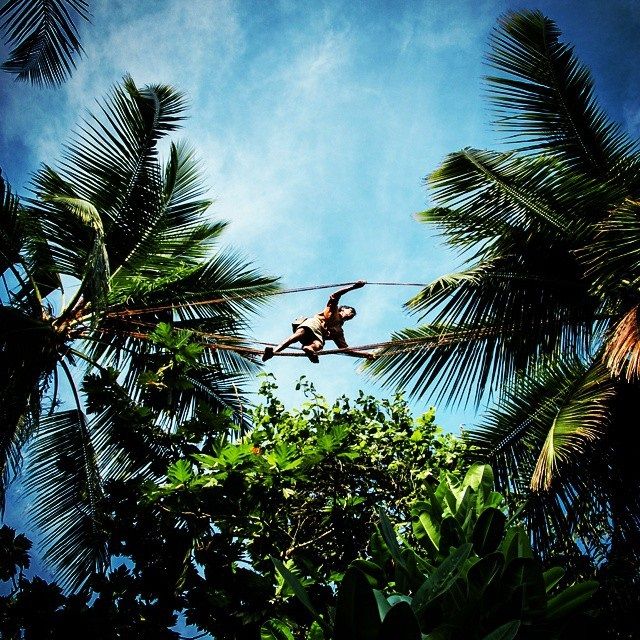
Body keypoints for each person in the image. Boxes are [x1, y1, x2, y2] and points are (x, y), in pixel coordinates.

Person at [262, 281, 374, 363]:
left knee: (319, 344)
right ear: (342, 309)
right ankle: (273, 352)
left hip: (319, 335)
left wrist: (366, 354)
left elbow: (346, 350)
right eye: (350, 311)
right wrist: (354, 287)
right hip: (313, 324)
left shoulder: (339, 331)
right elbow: (335, 295)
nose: (351, 315)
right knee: (295, 337)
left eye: (352, 315)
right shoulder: (333, 310)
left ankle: (309, 349)